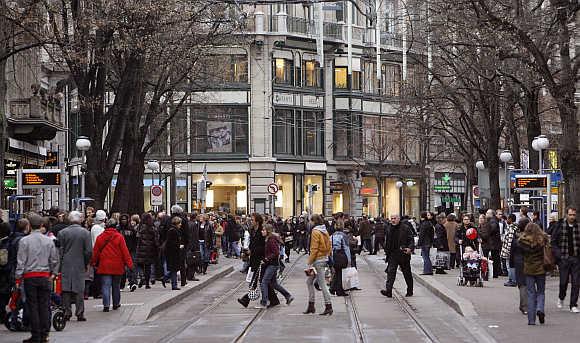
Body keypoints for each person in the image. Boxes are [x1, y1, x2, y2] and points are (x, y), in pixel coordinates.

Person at [15, 213, 59, 343]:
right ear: (41, 225)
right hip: (45, 276)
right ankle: (44, 334)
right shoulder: (48, 241)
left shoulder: (24, 241)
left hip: (30, 277)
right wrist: (53, 274)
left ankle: (36, 334)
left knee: (32, 306)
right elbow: (54, 260)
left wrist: (18, 278)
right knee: (44, 305)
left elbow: (21, 261)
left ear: (29, 226)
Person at [91, 219, 133, 312]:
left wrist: (92, 263)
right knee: (116, 286)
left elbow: (96, 252)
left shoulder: (100, 237)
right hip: (117, 265)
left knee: (105, 285)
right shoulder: (119, 237)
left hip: (105, 265)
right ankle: (116, 304)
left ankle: (106, 305)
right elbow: (125, 252)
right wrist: (130, 264)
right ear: (115, 226)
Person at [58, 211, 92, 322]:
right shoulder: (85, 233)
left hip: (66, 263)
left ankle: (66, 311)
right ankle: (80, 313)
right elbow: (88, 251)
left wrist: (60, 263)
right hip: (79, 262)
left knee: (66, 289)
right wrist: (86, 262)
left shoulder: (62, 233)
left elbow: (60, 250)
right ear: (79, 220)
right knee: (79, 289)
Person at [255, 224, 293, 309]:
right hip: (272, 264)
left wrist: (266, 259)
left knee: (264, 282)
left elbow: (276, 253)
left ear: (267, 231)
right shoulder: (268, 239)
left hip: (272, 264)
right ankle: (288, 296)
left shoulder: (271, 240)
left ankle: (265, 302)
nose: (262, 231)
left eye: (263, 230)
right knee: (274, 283)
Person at [519, 222, 549, 325]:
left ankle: (531, 320)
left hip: (528, 269)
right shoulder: (542, 239)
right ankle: (540, 309)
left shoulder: (522, 241)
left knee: (531, 293)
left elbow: (521, 255)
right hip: (541, 268)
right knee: (541, 292)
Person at [551, 206, 579, 313]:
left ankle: (573, 304)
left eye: (574, 215)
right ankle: (561, 297)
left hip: (575, 258)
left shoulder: (578, 226)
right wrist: (559, 255)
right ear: (566, 215)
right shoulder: (559, 226)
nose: (572, 217)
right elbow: (553, 242)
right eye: (570, 214)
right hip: (564, 258)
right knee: (563, 282)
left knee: (576, 283)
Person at [304, 214, 333, 315]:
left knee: (322, 284)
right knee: (309, 282)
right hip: (323, 258)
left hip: (318, 260)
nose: (309, 223)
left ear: (313, 221)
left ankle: (328, 306)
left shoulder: (315, 231)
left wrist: (310, 262)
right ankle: (311, 305)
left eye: (310, 221)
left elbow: (314, 248)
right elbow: (329, 245)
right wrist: (327, 255)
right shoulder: (324, 230)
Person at [381, 214, 414, 298]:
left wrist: (410, 248)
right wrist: (386, 250)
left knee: (407, 273)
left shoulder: (405, 228)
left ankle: (410, 290)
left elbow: (411, 239)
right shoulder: (389, 228)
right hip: (392, 254)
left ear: (399, 219)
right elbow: (387, 240)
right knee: (391, 272)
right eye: (391, 218)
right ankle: (388, 291)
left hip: (403, 254)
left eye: (394, 218)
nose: (393, 220)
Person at [510, 217, 530, 315]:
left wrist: (511, 264)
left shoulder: (516, 237)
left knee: (522, 284)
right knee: (529, 284)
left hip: (518, 262)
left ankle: (524, 306)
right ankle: (527, 305)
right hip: (529, 262)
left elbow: (512, 250)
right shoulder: (531, 237)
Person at [135, 213, 159, 289]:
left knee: (139, 264)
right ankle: (147, 283)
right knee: (148, 266)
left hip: (141, 249)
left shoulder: (140, 228)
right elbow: (156, 240)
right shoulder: (152, 228)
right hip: (150, 250)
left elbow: (136, 238)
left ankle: (142, 276)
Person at [118, 214, 138, 291]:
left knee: (131, 267)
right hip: (121, 251)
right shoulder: (118, 229)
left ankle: (132, 282)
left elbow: (135, 240)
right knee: (122, 269)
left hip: (131, 250)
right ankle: (122, 284)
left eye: (125, 219)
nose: (124, 221)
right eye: (122, 219)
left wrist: (134, 249)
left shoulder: (131, 229)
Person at [330, 222, 351, 296]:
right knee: (341, 273)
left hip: (334, 256)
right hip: (342, 256)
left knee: (337, 272)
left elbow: (330, 248)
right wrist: (349, 260)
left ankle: (333, 288)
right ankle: (339, 290)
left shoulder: (331, 236)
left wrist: (330, 258)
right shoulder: (344, 236)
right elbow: (346, 248)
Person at [165, 216, 185, 290]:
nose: (181, 225)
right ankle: (174, 285)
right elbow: (171, 243)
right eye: (180, 223)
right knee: (174, 269)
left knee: (175, 269)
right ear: (176, 223)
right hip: (172, 253)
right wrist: (179, 246)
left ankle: (165, 278)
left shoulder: (176, 230)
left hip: (175, 253)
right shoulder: (172, 231)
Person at [480, 209, 501, 278]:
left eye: (488, 213)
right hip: (493, 243)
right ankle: (494, 273)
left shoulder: (492, 221)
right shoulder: (491, 221)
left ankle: (494, 273)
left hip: (493, 243)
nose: (486, 214)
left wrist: (484, 232)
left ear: (491, 214)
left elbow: (491, 230)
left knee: (494, 258)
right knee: (494, 258)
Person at [501, 214, 518, 287]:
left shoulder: (511, 228)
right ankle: (512, 279)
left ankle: (512, 280)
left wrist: (508, 250)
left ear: (511, 219)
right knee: (511, 265)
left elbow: (510, 240)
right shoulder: (515, 227)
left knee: (510, 265)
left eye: (508, 218)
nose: (506, 220)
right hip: (512, 249)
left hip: (509, 250)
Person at [0, 222, 11, 325]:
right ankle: (2, 315)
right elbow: (3, 261)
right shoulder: (5, 243)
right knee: (3, 294)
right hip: (4, 273)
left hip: (4, 273)